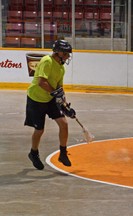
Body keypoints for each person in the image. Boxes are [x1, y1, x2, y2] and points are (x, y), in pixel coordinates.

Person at [24, 40, 76, 170]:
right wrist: (55, 93)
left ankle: (63, 154)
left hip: (50, 98)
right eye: (66, 54)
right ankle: (33, 153)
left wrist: (65, 105)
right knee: (39, 129)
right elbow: (42, 82)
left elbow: (60, 87)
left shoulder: (61, 68)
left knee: (64, 124)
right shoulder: (47, 61)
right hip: (36, 99)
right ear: (58, 52)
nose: (68, 56)